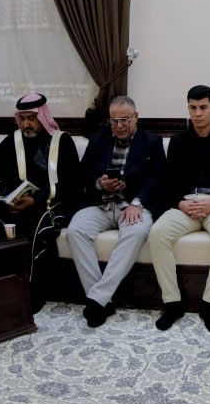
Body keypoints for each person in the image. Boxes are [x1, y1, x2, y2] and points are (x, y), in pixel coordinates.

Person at [147, 85, 210, 332]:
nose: (198, 113)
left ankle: (209, 304)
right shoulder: (178, 141)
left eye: (203, 107)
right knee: (157, 233)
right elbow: (167, 183)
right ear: (188, 109)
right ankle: (172, 303)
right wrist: (181, 203)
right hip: (186, 204)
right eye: (193, 108)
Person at [66, 96, 163, 327]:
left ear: (135, 117)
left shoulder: (152, 141)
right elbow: (83, 173)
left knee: (136, 231)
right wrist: (100, 183)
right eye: (114, 120)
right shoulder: (98, 139)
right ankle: (102, 300)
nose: (119, 125)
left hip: (131, 205)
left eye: (124, 120)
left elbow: (157, 178)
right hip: (101, 204)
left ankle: (96, 300)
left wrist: (137, 202)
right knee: (75, 230)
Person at [0, 93, 83, 308]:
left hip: (53, 203)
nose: (26, 124)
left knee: (37, 226)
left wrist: (35, 199)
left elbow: (72, 183)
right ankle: (0, 285)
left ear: (42, 117)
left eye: (32, 118)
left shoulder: (62, 141)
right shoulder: (12, 141)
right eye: (23, 118)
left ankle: (33, 292)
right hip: (17, 203)